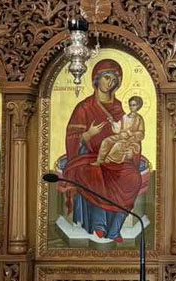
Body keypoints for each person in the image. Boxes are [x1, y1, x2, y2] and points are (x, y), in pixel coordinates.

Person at [62, 59, 143, 243]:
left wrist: (130, 152)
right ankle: (99, 225)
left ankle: (114, 229)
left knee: (133, 178)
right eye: (107, 77)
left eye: (114, 80)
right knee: (95, 174)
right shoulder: (84, 107)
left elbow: (129, 134)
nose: (110, 83)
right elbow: (71, 137)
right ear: (96, 79)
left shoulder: (119, 107)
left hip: (115, 157)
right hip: (88, 157)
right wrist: (87, 135)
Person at [94, 95, 145, 165]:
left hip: (130, 139)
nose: (131, 107)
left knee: (118, 144)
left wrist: (132, 133)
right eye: (130, 105)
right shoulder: (125, 117)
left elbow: (141, 134)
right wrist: (112, 121)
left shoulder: (139, 119)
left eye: (134, 105)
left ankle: (108, 159)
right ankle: (100, 160)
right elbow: (118, 128)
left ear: (138, 106)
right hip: (120, 136)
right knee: (106, 141)